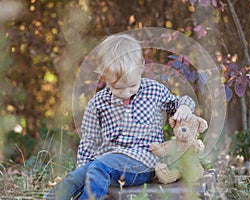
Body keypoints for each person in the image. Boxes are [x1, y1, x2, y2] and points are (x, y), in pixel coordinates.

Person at [45, 34, 195, 200]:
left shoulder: (154, 91)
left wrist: (184, 107)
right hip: (107, 161)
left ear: (141, 68)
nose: (125, 93)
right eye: (117, 88)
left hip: (143, 161)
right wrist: (83, 170)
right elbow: (89, 141)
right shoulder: (98, 103)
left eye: (132, 86)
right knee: (76, 176)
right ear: (104, 77)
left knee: (98, 168)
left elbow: (177, 104)